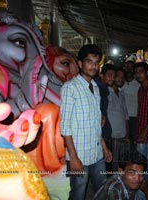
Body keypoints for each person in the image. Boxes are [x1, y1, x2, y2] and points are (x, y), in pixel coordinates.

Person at [60, 44, 112, 200]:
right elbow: (65, 127)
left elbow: (95, 123)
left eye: (96, 62)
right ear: (80, 64)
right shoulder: (70, 88)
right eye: (89, 61)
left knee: (102, 190)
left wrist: (104, 147)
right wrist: (73, 158)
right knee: (78, 193)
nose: (93, 66)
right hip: (79, 155)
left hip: (96, 153)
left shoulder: (95, 88)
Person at [107, 67, 130, 171]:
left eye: (122, 77)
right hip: (111, 134)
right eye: (118, 76)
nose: (120, 79)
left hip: (122, 133)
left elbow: (125, 114)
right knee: (113, 161)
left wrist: (127, 132)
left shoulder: (121, 93)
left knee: (121, 160)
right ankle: (113, 184)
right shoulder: (106, 92)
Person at [122, 60, 140, 145]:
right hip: (122, 117)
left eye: (131, 68)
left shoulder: (138, 84)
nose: (129, 70)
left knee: (134, 139)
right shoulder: (121, 83)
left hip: (134, 116)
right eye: (127, 67)